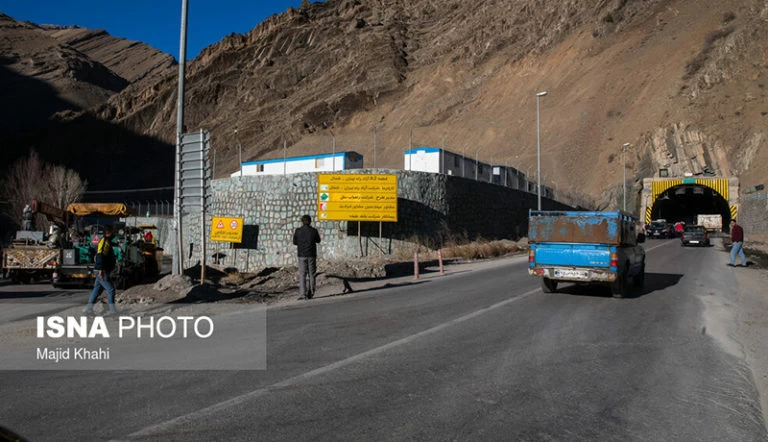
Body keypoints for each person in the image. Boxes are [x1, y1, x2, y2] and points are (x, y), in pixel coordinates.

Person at [85, 225, 118, 314]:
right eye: (112, 232)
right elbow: (100, 255)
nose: (114, 234)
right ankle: (113, 312)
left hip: (102, 270)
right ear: (108, 232)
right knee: (111, 290)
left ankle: (89, 310)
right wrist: (100, 270)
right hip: (101, 271)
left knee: (97, 290)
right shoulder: (104, 241)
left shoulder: (107, 241)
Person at [293, 214, 321, 300]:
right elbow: (318, 240)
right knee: (312, 274)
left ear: (302, 222)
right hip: (311, 255)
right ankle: (311, 292)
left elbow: (294, 242)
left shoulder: (298, 231)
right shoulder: (314, 231)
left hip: (301, 255)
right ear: (310, 222)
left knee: (302, 274)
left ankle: (302, 294)